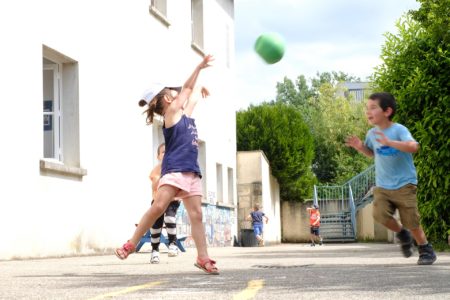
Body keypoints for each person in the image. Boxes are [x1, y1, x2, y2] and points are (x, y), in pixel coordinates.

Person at [115, 54, 219, 274]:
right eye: (174, 91)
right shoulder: (171, 114)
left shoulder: (184, 116)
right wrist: (199, 66)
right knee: (159, 207)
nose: (178, 91)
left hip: (191, 172)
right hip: (174, 170)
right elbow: (188, 90)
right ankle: (131, 244)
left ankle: (203, 257)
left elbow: (192, 96)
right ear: (169, 100)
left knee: (197, 216)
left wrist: (201, 89)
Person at [346, 92, 437, 265]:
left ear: (387, 111)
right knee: (379, 214)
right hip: (383, 185)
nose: (368, 111)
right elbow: (373, 154)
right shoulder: (372, 134)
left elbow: (413, 146)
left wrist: (391, 143)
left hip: (405, 183)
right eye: (367, 108)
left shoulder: (399, 130)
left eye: (373, 108)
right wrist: (360, 147)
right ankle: (403, 233)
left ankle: (425, 248)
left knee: (411, 220)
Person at [148, 143, 181, 264]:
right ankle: (155, 250)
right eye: (163, 152)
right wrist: (160, 178)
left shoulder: (176, 168)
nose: (166, 154)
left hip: (172, 200)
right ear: (158, 156)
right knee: (155, 225)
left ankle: (173, 243)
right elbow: (154, 186)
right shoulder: (156, 170)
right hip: (157, 200)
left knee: (169, 218)